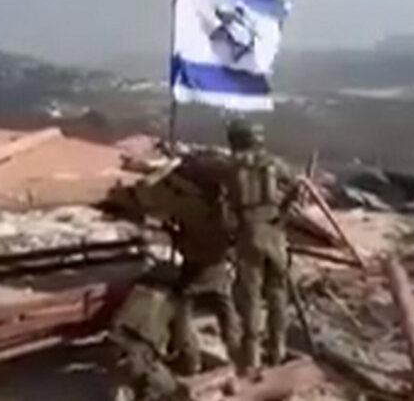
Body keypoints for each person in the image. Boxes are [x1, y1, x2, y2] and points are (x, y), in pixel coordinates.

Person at [132, 154, 242, 375]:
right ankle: (238, 353)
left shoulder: (190, 205)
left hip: (196, 268)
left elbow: (142, 190)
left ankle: (189, 360)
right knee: (224, 305)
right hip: (220, 265)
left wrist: (169, 168)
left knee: (180, 309)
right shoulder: (229, 206)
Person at [227, 119, 300, 371]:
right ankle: (278, 349)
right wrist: (283, 216)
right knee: (278, 293)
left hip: (249, 233)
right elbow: (297, 186)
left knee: (251, 297)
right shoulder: (275, 164)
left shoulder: (231, 167)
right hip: (274, 232)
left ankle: (252, 357)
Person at [108, 284, 185, 401]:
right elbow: (182, 337)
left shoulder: (140, 291)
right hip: (141, 345)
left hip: (125, 335)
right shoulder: (175, 302)